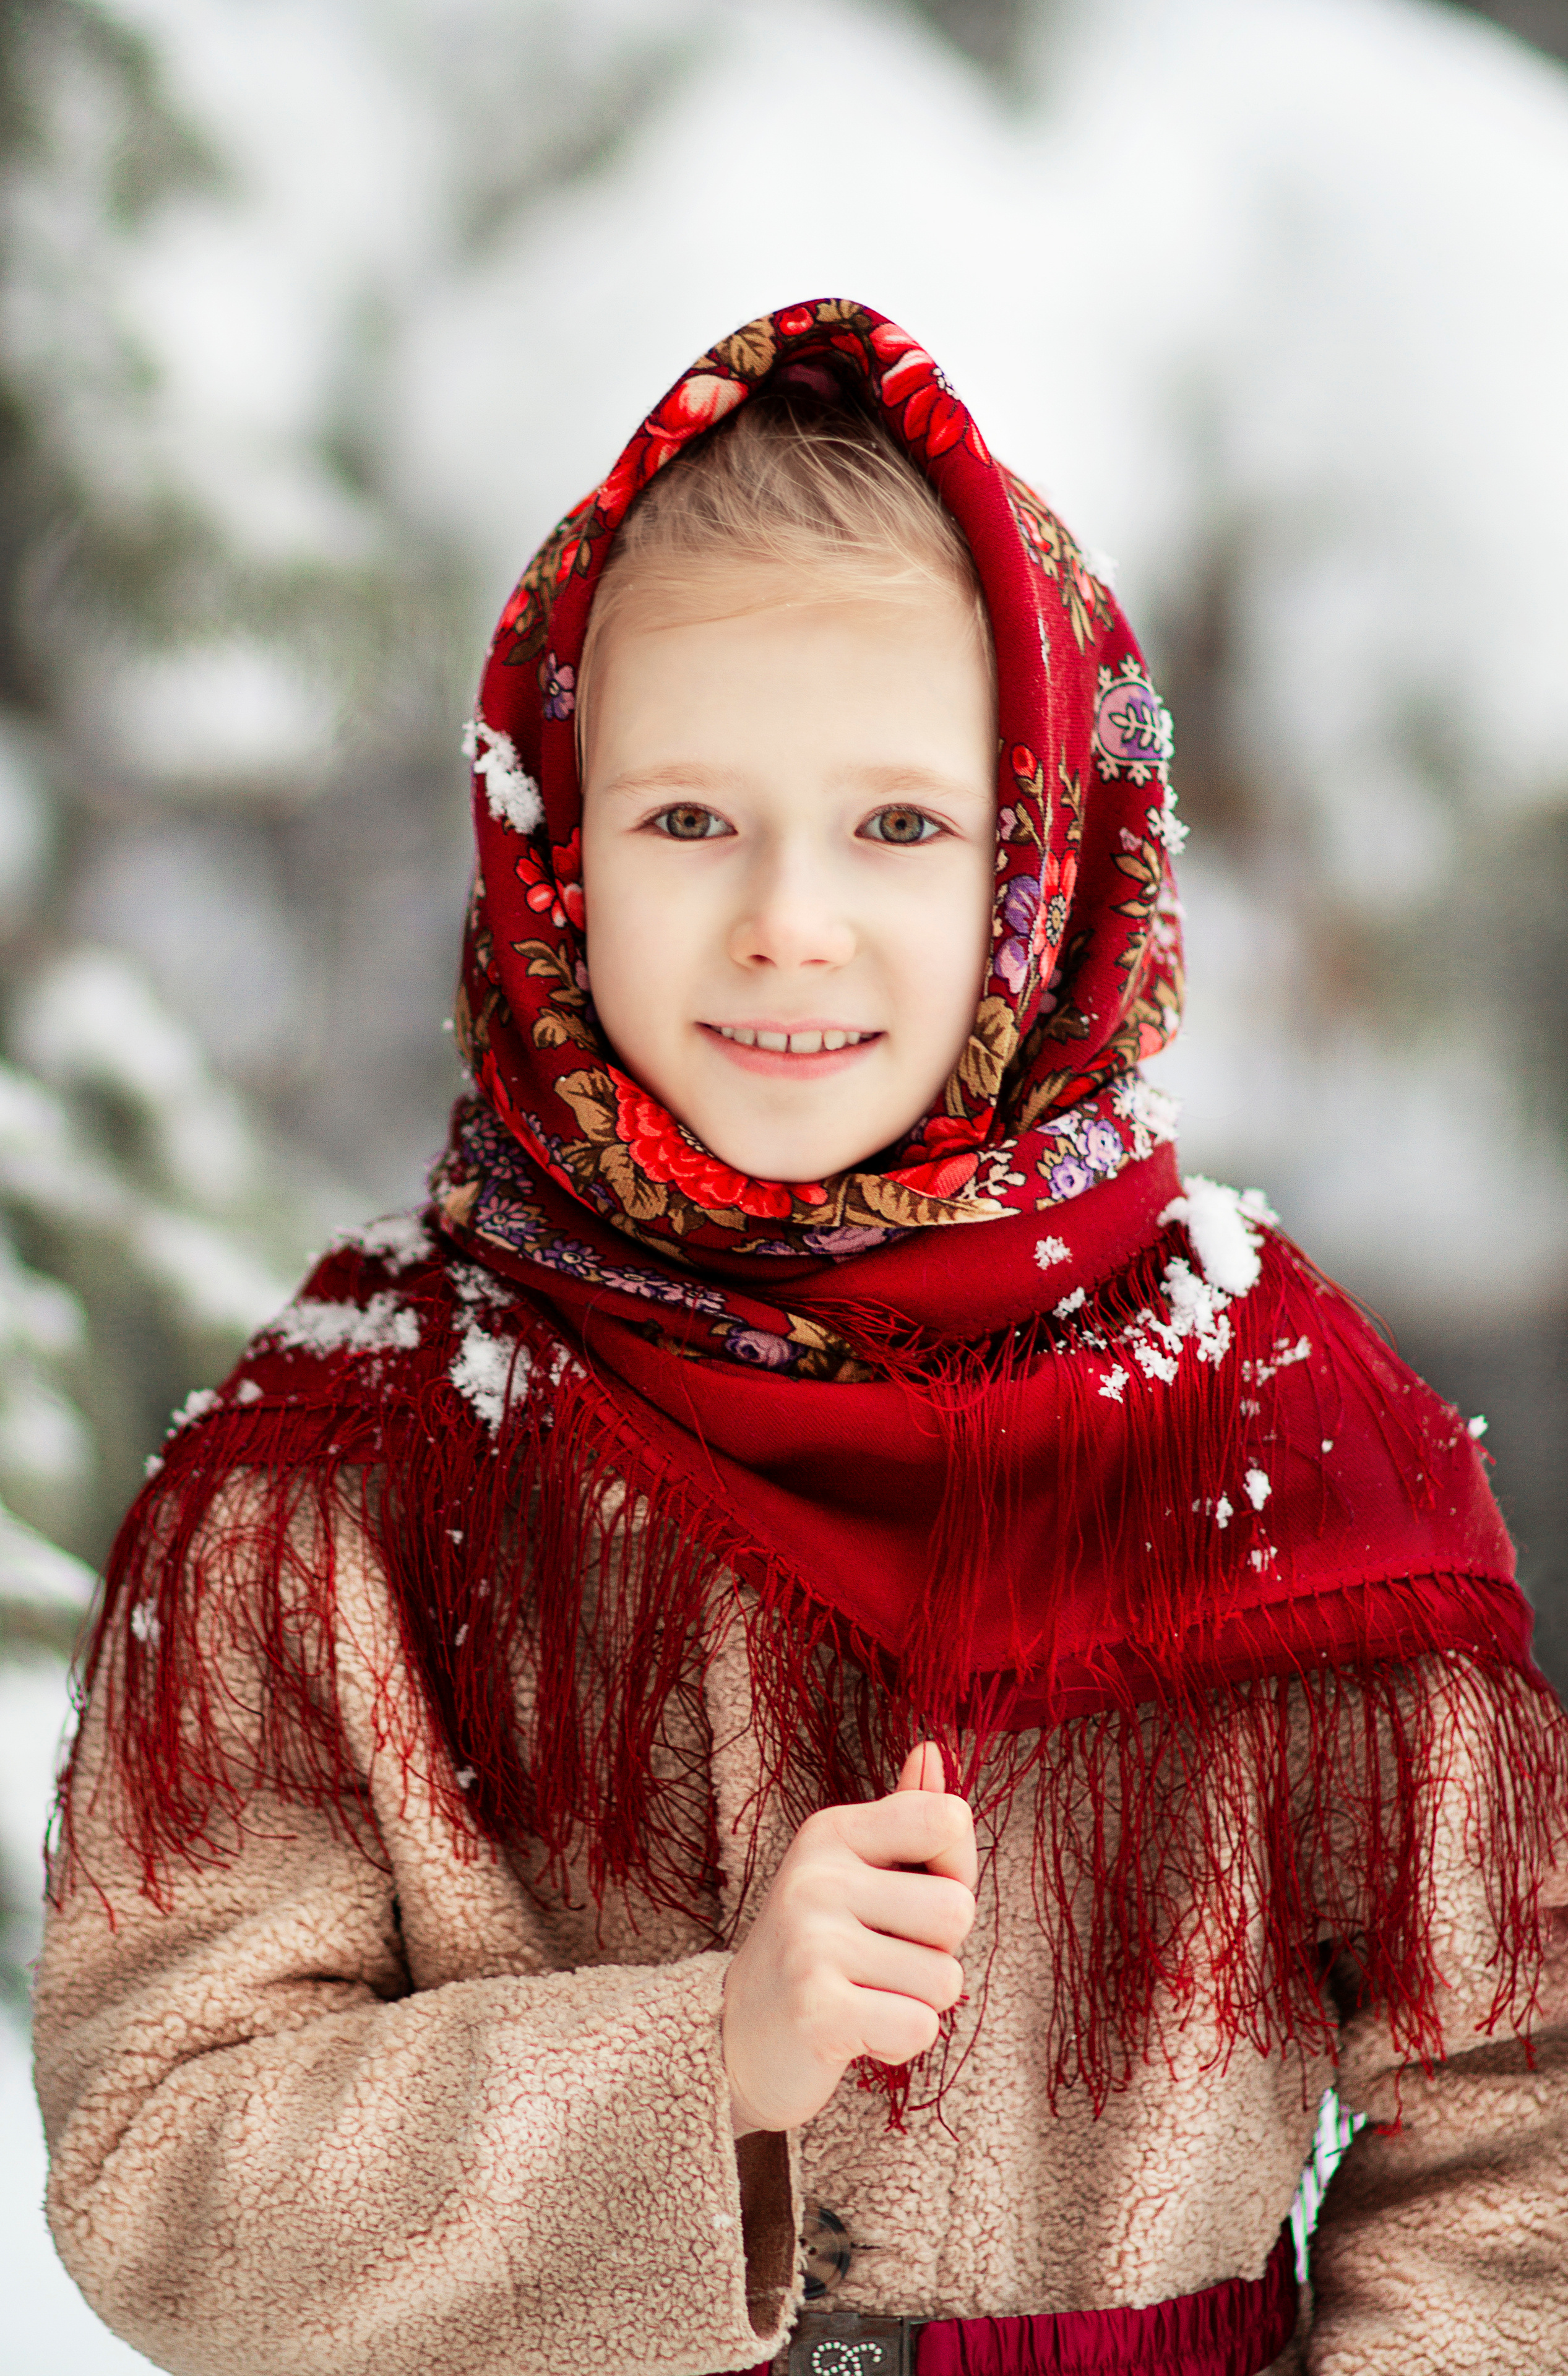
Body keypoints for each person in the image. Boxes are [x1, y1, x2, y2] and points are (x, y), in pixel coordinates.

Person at [33, 299, 1568, 2376]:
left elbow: (1516, 2132)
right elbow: (159, 2163)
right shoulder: (355, 1454)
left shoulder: (1281, 1435)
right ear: (553, 846)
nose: (787, 920)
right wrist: (705, 2070)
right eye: (688, 820)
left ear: (1045, 859)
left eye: (900, 827)